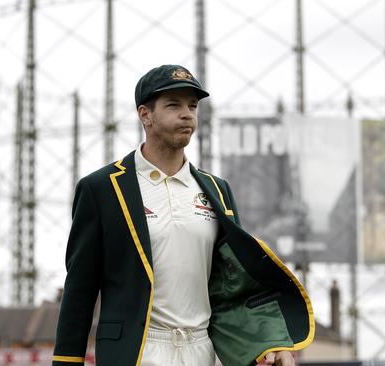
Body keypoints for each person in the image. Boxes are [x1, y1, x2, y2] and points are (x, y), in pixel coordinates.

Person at [52, 64, 314, 366]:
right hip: (138, 352)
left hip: (200, 350)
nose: (187, 113)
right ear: (145, 115)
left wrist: (269, 342)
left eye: (192, 105)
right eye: (173, 105)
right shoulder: (101, 188)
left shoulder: (218, 190)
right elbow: (80, 289)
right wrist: (66, 362)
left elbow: (231, 286)